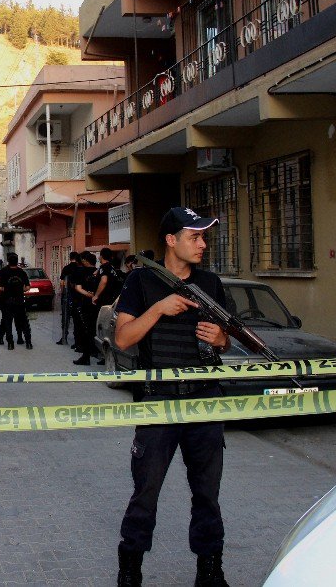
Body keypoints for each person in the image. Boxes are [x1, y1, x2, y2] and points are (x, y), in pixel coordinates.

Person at [114, 207, 231, 587]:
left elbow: (227, 339)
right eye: (194, 236)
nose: (202, 243)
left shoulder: (210, 283)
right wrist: (158, 309)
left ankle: (210, 572)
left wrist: (221, 340)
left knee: (207, 494)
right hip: (158, 400)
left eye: (204, 237)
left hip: (204, 400)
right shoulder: (141, 282)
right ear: (170, 240)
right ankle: (130, 572)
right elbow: (123, 338)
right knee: (146, 493)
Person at [0, 252, 31, 350]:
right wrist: (20, 290)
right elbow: (27, 287)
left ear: (8, 261)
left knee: (8, 322)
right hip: (20, 301)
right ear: (17, 261)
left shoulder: (3, 271)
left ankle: (10, 343)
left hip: (7, 301)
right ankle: (28, 342)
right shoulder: (22, 272)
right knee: (24, 322)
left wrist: (7, 289)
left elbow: (0, 287)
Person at [72, 251, 99, 365]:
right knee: (96, 328)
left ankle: (86, 356)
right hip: (99, 304)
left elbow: (78, 288)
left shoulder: (80, 271)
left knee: (85, 329)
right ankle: (95, 351)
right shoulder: (99, 272)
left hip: (86, 303)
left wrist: (89, 295)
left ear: (85, 261)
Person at [56, 252, 81, 345]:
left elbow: (62, 283)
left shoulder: (66, 268)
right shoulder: (80, 268)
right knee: (76, 319)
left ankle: (64, 338)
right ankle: (77, 340)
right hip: (79, 296)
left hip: (67, 296)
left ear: (70, 258)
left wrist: (62, 293)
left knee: (65, 318)